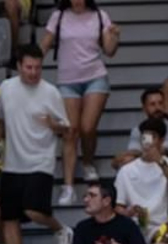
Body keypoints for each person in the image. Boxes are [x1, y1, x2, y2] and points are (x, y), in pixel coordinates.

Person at [0, 43, 70, 244]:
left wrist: (52, 124)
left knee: (33, 210)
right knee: (9, 218)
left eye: (38, 67)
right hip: (11, 162)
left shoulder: (51, 92)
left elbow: (67, 130)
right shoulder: (6, 88)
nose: (33, 72)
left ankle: (61, 229)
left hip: (41, 161)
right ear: (19, 66)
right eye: (29, 67)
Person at [43, 0, 120, 202]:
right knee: (70, 131)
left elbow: (110, 51)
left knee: (87, 128)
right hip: (67, 79)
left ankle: (87, 162)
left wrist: (114, 36)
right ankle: (68, 187)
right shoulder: (58, 16)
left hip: (95, 76)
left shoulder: (100, 15)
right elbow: (44, 45)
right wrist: (29, 63)